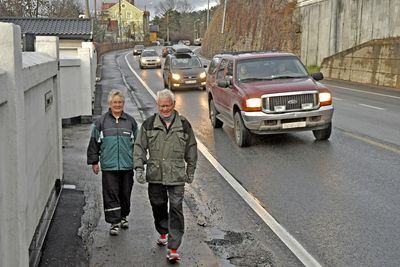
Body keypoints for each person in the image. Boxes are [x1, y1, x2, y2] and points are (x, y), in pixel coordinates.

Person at [134, 89, 198, 262]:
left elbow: (191, 148)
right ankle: (163, 230)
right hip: (155, 174)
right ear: (157, 106)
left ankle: (173, 247)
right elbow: (139, 147)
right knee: (158, 204)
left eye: (168, 106)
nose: (165, 109)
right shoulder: (148, 124)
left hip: (176, 175)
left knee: (176, 208)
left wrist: (190, 171)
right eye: (161, 106)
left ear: (174, 105)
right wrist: (139, 168)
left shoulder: (184, 125)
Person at [87, 89, 138, 236]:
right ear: (110, 103)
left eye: (120, 102)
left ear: (123, 104)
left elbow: (138, 143)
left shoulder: (130, 122)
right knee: (111, 193)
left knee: (125, 192)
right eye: (115, 102)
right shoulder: (101, 122)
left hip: (127, 165)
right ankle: (114, 222)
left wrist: (139, 162)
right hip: (109, 166)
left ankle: (123, 216)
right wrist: (94, 161)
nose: (117, 105)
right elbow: (94, 143)